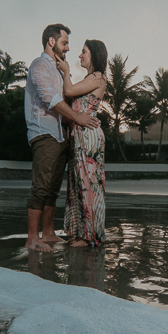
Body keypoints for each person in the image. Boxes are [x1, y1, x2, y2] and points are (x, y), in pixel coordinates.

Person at [24, 24, 100, 252]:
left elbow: (65, 104)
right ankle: (32, 238)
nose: (67, 48)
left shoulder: (58, 70)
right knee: (41, 187)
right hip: (44, 132)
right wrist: (78, 117)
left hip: (59, 135)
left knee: (52, 188)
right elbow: (50, 98)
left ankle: (48, 233)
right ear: (51, 41)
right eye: (64, 43)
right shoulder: (39, 65)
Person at [57, 39, 107, 247]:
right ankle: (79, 233)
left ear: (94, 54)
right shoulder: (89, 78)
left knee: (89, 183)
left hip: (88, 135)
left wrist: (66, 71)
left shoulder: (98, 77)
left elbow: (69, 92)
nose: (80, 55)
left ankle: (90, 236)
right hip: (79, 134)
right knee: (78, 182)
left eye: (84, 52)